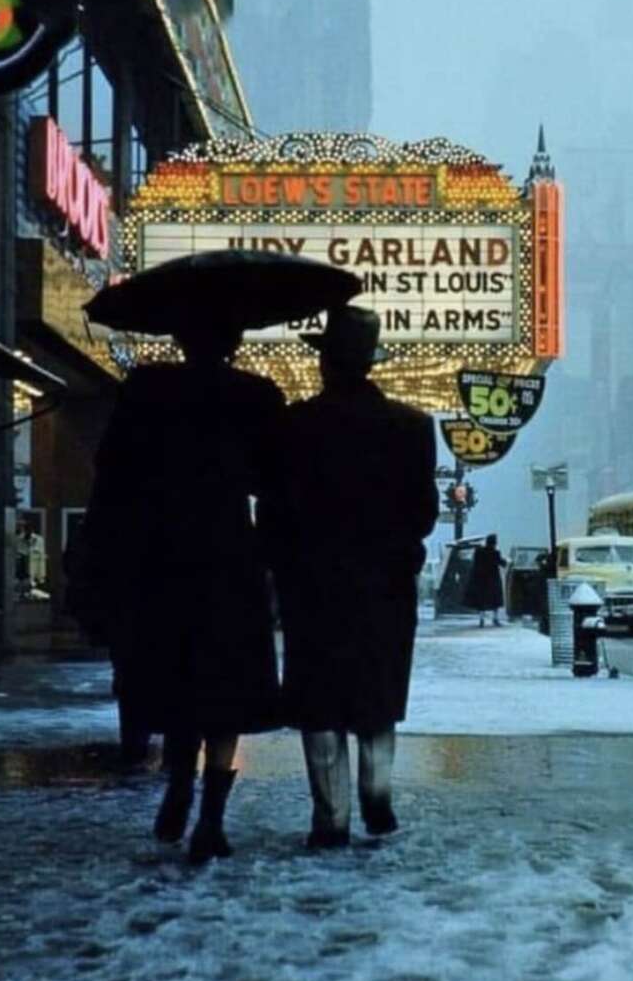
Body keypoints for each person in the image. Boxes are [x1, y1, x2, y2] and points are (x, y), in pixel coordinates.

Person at [77, 311, 285, 864]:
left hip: (162, 551)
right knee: (228, 681)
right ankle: (212, 817)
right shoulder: (256, 395)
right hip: (229, 553)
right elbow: (274, 480)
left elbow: (110, 466)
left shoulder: (148, 388)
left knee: (175, 671)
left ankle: (178, 782)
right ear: (236, 340)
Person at [270, 306, 439, 848]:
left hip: (313, 587)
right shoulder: (413, 427)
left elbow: (272, 513)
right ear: (370, 363)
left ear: (325, 363)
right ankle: (377, 794)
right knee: (376, 692)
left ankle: (332, 817)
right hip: (384, 586)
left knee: (320, 701)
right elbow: (424, 514)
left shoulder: (294, 427)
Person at [464, 532, 507, 626]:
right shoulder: (495, 553)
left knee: (482, 601)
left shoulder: (479, 552)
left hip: (481, 580)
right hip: (493, 580)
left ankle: (481, 619)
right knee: (495, 600)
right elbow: (502, 563)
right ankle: (495, 619)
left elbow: (475, 563)